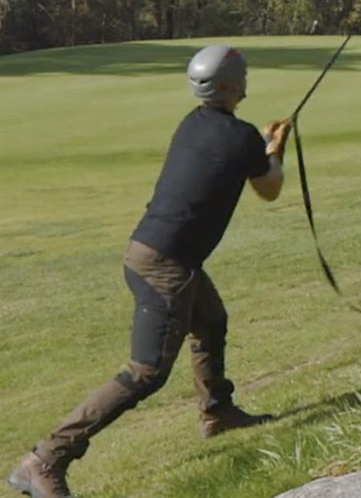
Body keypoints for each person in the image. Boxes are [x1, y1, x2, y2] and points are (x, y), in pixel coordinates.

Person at [9, 46, 292, 498]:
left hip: (149, 251)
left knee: (211, 320)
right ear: (234, 83)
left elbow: (236, 154)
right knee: (146, 372)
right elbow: (270, 188)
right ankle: (45, 458)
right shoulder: (240, 138)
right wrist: (275, 150)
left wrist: (262, 147)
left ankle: (217, 412)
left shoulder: (194, 123)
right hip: (167, 266)